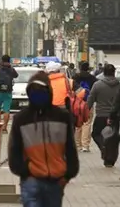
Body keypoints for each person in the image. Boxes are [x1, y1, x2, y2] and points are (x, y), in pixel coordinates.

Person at [8, 71, 79, 207]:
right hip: (31, 180)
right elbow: (14, 150)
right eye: (34, 92)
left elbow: (70, 149)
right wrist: (24, 171)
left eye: (41, 92)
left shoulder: (62, 117)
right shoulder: (21, 119)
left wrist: (67, 175)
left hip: (56, 181)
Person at [87, 62, 120, 167]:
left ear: (104, 73)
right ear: (114, 72)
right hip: (115, 116)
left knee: (96, 134)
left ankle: (103, 146)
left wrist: (86, 110)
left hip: (101, 115)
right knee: (113, 138)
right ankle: (110, 160)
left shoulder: (97, 85)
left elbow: (91, 99)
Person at [0, 55, 19, 133]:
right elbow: (16, 75)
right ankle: (4, 128)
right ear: (9, 60)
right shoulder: (11, 69)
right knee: (6, 110)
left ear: (2, 60)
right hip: (8, 92)